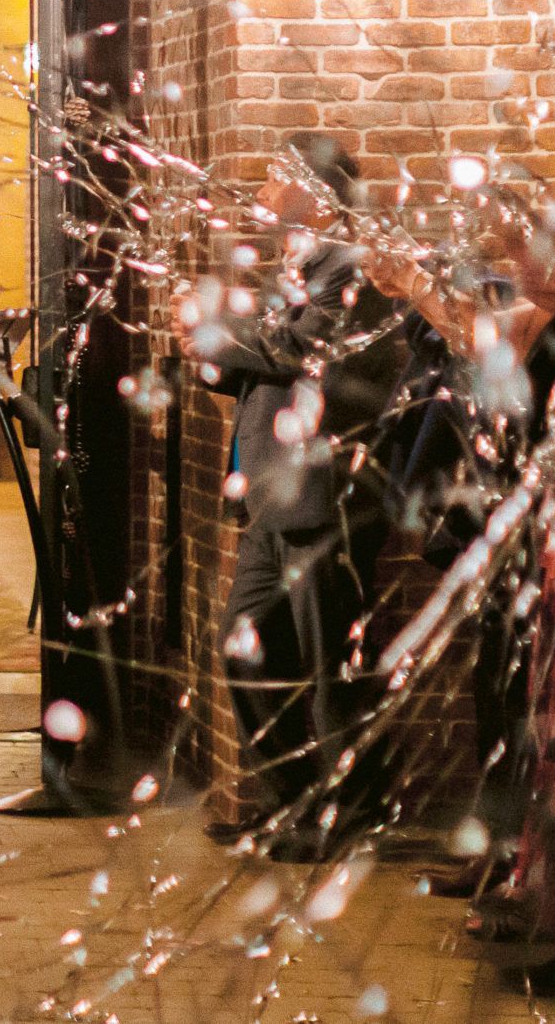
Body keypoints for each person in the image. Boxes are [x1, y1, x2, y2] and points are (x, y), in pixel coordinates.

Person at [178, 131, 406, 861]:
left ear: (319, 189)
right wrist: (208, 361)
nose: (265, 188)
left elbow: (302, 352)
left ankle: (349, 814)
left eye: (280, 176)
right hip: (271, 499)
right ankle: (291, 800)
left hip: (325, 495)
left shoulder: (353, 268)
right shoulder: (294, 268)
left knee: (329, 672)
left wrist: (221, 335)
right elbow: (264, 365)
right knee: (243, 649)